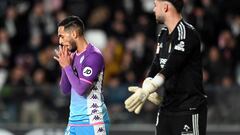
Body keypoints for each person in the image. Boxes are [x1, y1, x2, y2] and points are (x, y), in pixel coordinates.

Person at [125, 0, 208, 135]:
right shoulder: (163, 34)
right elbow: (157, 64)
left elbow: (171, 66)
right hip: (166, 109)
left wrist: (151, 87)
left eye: (155, 5)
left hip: (188, 109)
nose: (153, 10)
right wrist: (147, 83)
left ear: (165, 7)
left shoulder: (186, 33)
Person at [54, 16, 110, 135]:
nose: (60, 41)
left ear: (74, 34)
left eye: (62, 36)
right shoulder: (73, 56)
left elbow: (81, 89)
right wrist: (65, 67)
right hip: (73, 122)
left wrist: (67, 67)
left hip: (93, 121)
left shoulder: (94, 56)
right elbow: (64, 90)